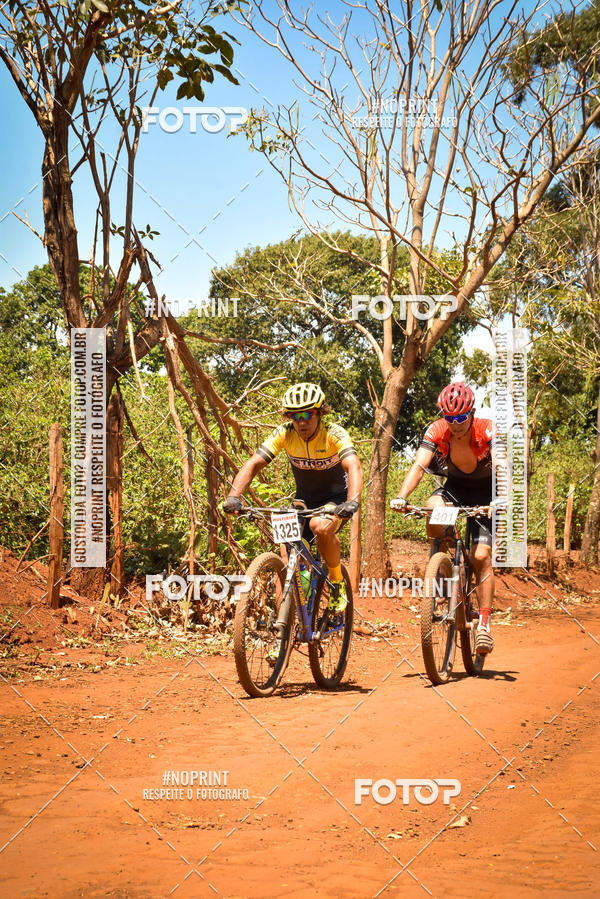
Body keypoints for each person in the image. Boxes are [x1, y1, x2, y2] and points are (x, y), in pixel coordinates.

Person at [223, 382, 363, 612]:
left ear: (320, 413)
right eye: (294, 416)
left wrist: (352, 502)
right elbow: (254, 464)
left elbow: (354, 466)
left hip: (335, 500)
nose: (302, 421)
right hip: (303, 500)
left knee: (320, 526)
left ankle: (337, 582)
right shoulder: (285, 433)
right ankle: (282, 634)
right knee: (287, 563)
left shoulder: (333, 433)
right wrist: (233, 496)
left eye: (308, 414)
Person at [392, 381, 505, 655]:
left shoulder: (487, 428)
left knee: (480, 557)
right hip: (454, 490)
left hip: (486, 495)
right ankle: (445, 564)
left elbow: (502, 465)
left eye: (461, 417)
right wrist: (401, 496)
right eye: (450, 418)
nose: (455, 424)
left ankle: (485, 624)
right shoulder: (437, 429)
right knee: (432, 508)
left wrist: (499, 500)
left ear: (472, 412)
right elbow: (419, 464)